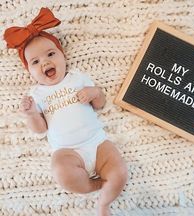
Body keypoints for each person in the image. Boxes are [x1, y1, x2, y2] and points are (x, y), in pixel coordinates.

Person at [4, 7, 128, 216]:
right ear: (29, 71)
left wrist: (94, 92)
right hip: (67, 151)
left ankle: (104, 204)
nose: (45, 62)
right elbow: (40, 130)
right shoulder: (37, 94)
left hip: (97, 143)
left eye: (51, 54)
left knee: (120, 172)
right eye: (35, 62)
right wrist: (32, 114)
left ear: (63, 56)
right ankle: (94, 186)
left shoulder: (78, 78)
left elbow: (100, 103)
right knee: (61, 172)